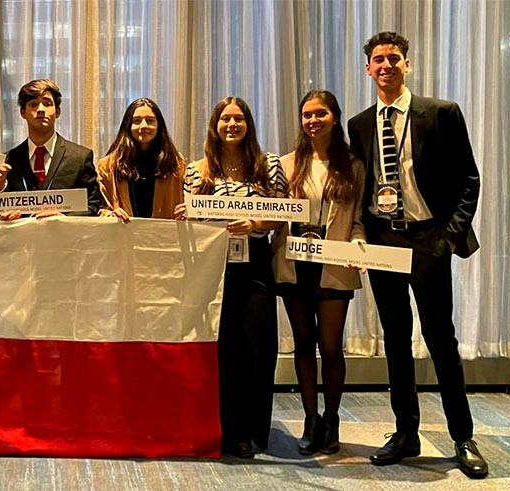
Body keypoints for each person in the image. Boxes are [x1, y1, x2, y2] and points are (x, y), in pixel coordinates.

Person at [346, 31, 486, 478]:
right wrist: (359, 238)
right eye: (378, 59)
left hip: (428, 240)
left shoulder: (441, 113)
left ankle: (463, 437)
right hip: (383, 241)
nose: (386, 65)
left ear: (407, 64)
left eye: (394, 58)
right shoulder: (359, 124)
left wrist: (449, 237)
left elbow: (469, 179)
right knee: (395, 338)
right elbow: (361, 187)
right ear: (368, 68)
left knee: (441, 339)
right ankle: (406, 432)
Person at [176, 96, 286, 458]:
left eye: (239, 119)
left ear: (248, 124)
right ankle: (229, 430)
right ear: (215, 125)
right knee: (224, 349)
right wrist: (188, 216)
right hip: (213, 264)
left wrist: (254, 223)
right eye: (225, 119)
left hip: (255, 262)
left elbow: (282, 215)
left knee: (259, 346)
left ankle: (253, 429)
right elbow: (194, 216)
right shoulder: (197, 170)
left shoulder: (268, 165)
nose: (232, 125)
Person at [271, 90, 366, 455]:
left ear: (335, 117)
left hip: (334, 265)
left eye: (320, 113)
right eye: (307, 115)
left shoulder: (353, 165)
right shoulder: (286, 164)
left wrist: (358, 243)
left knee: (330, 346)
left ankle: (332, 418)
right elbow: (274, 213)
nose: (313, 120)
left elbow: (358, 219)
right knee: (304, 343)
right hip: (294, 265)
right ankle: (311, 419)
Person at [0, 79, 100, 218]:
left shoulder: (80, 158)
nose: (41, 109)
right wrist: (0, 203)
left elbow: (93, 205)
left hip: (64, 232)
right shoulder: (8, 162)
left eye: (47, 104)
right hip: (21, 232)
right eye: (33, 104)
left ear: (57, 112)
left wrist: (65, 219)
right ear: (23, 113)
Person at [96, 98, 185, 221]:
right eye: (137, 121)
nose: (144, 126)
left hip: (164, 232)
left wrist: (186, 211)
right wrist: (110, 215)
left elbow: (186, 202)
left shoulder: (175, 163)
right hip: (124, 232)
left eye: (150, 120)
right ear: (128, 125)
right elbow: (99, 208)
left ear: (159, 125)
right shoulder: (108, 165)